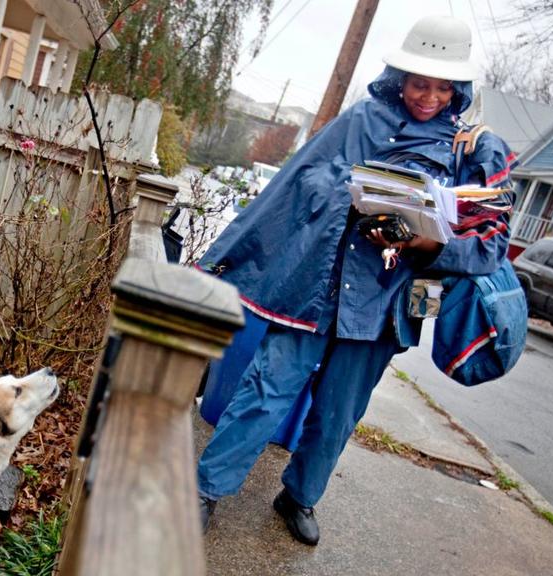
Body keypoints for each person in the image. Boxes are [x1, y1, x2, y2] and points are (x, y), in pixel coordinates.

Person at [196, 15, 517, 546]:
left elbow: (491, 244)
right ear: (400, 76)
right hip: (317, 288)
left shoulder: (473, 149)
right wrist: (349, 193)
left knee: (339, 412)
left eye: (442, 86)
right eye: (419, 83)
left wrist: (430, 243)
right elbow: (298, 182)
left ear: (459, 88)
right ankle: (206, 490)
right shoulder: (360, 120)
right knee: (265, 391)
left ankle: (299, 496)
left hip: (385, 304)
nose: (428, 96)